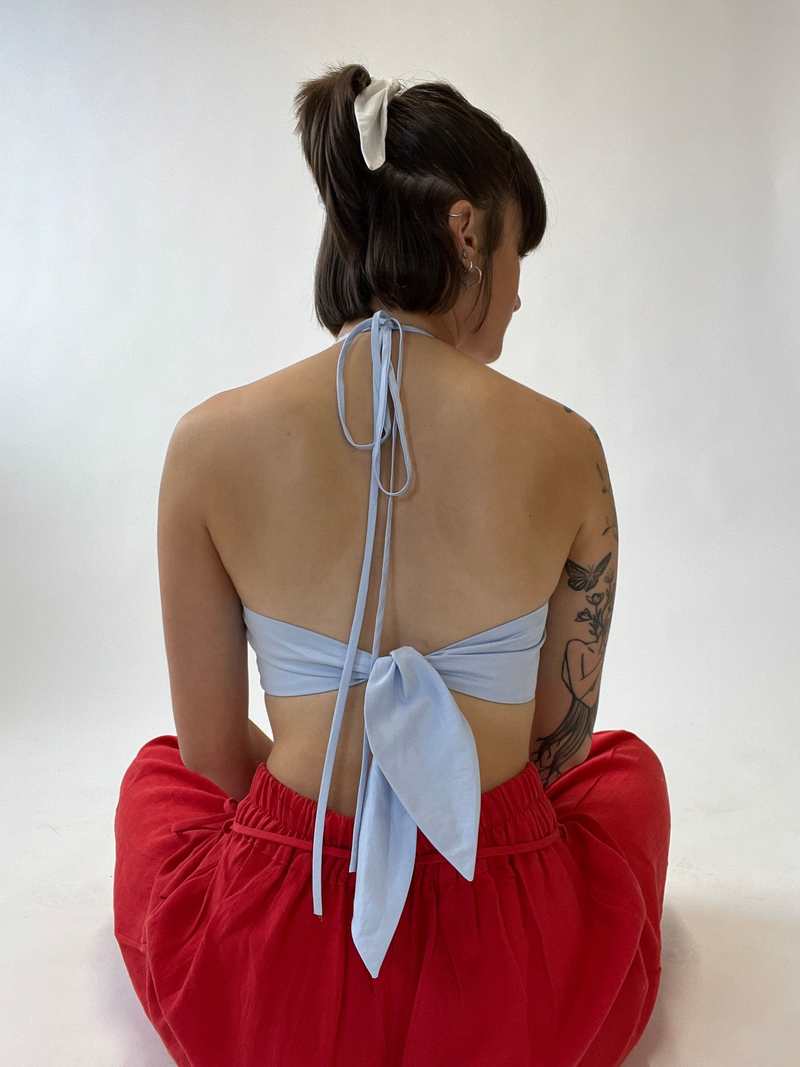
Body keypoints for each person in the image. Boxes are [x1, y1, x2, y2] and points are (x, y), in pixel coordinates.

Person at [113, 63, 671, 1067]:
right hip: (504, 949)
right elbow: (556, 748)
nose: (518, 293)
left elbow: (211, 755)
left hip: (284, 944)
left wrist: (325, 818)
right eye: (517, 251)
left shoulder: (207, 443)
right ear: (466, 232)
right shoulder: (566, 447)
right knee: (625, 777)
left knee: (156, 777)